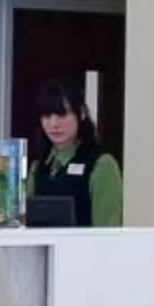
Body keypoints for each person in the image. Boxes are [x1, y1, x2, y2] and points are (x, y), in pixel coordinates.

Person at [32, 78, 123, 227]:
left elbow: (107, 229)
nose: (54, 124)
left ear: (81, 114)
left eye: (62, 115)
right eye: (47, 116)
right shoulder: (38, 168)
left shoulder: (101, 165)